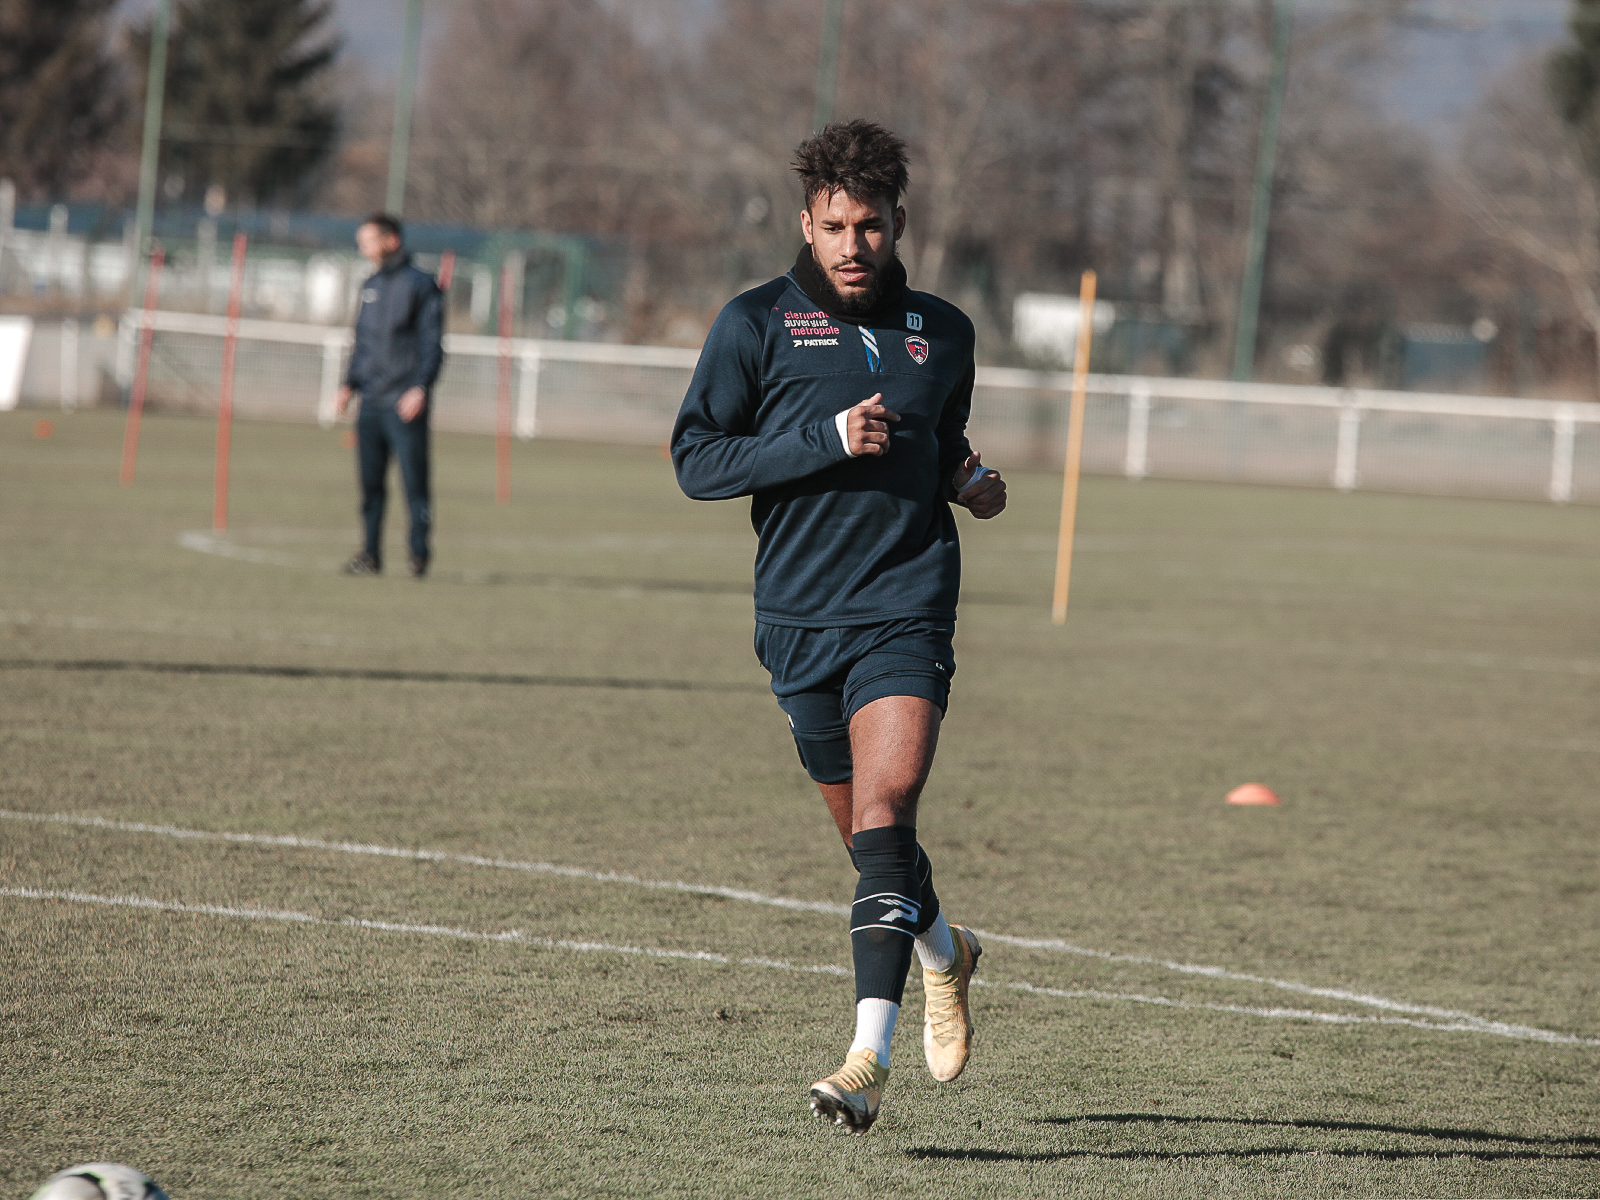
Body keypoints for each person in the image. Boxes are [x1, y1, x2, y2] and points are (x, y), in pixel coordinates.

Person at [671, 119, 1007, 1134]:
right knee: (873, 847)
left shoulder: (945, 331)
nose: (852, 245)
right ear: (805, 224)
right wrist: (822, 437)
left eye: (870, 225)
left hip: (906, 607)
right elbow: (697, 460)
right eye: (833, 227)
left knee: (888, 806)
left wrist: (968, 483)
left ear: (899, 222)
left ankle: (866, 1058)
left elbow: (940, 445)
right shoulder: (753, 325)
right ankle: (946, 950)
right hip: (796, 620)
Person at [335, 213, 444, 578]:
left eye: (367, 241)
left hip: (404, 402)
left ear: (391, 240)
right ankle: (370, 554)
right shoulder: (370, 284)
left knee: (414, 483)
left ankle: (418, 555)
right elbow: (362, 343)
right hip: (371, 402)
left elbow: (432, 343)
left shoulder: (421, 284)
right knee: (370, 485)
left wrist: (420, 387)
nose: (362, 248)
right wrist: (349, 384)